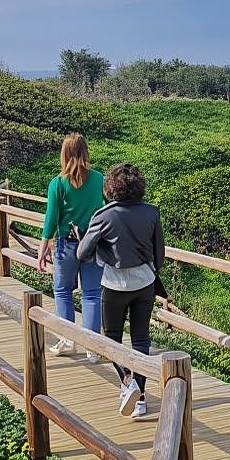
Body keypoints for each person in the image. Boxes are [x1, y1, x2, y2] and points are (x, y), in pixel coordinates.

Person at [77, 162, 164, 418]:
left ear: (110, 188)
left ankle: (128, 382)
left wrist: (100, 250)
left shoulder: (103, 216)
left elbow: (83, 252)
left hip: (115, 284)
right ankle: (142, 398)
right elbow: (160, 254)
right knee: (141, 339)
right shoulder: (152, 212)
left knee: (112, 338)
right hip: (145, 282)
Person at [38, 133, 104, 360]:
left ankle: (67, 340)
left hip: (66, 243)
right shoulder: (98, 179)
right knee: (92, 293)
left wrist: (44, 245)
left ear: (64, 154)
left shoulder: (58, 183)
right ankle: (92, 347)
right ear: (85, 151)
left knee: (63, 291)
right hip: (93, 243)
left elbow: (51, 217)